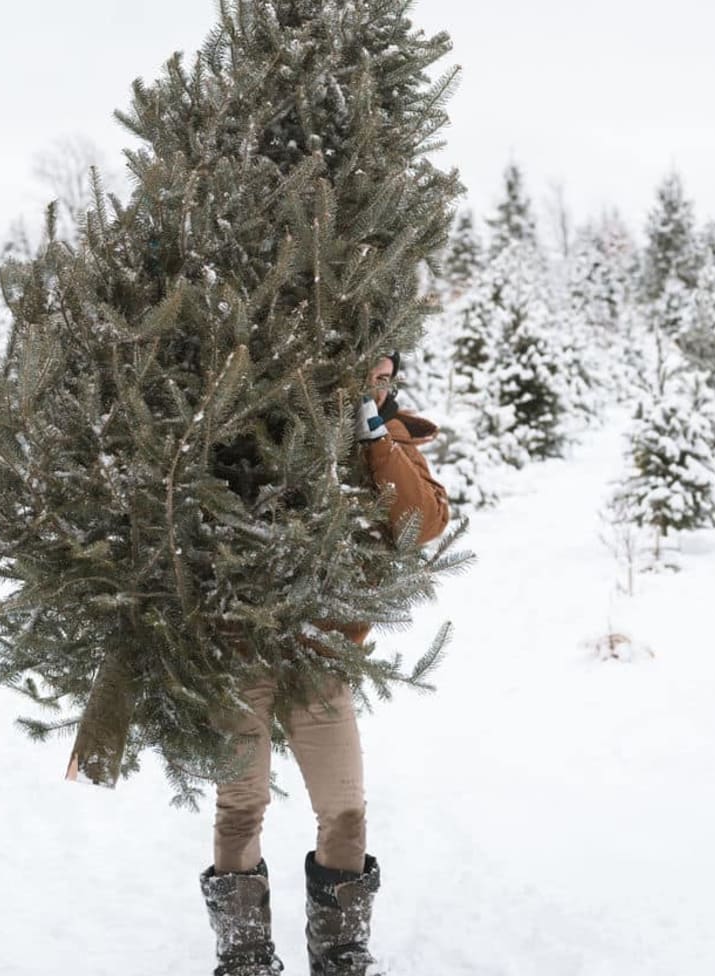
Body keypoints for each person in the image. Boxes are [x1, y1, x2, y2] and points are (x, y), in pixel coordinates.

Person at [199, 351, 450, 976]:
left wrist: (375, 432)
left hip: (320, 654)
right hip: (239, 647)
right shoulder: (257, 414)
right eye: (369, 371)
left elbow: (421, 522)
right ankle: (245, 955)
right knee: (241, 804)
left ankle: (340, 952)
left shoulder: (382, 436)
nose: (377, 382)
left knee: (344, 809)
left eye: (386, 376)